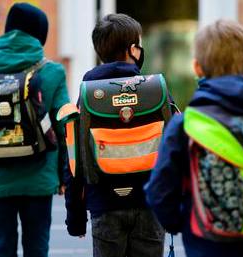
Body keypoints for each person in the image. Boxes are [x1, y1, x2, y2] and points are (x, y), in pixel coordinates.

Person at [144, 20, 243, 257]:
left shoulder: (188, 123)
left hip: (207, 243)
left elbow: (159, 191)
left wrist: (182, 222)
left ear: (197, 67)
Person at [0, 3, 70, 257]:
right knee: (36, 247)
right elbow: (65, 127)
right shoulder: (52, 72)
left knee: (1, 246)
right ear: (39, 35)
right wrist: (66, 175)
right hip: (40, 176)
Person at [64, 13, 166, 257]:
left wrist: (75, 218)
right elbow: (172, 152)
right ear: (133, 49)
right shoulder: (154, 90)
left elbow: (74, 160)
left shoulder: (88, 94)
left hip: (105, 204)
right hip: (149, 203)